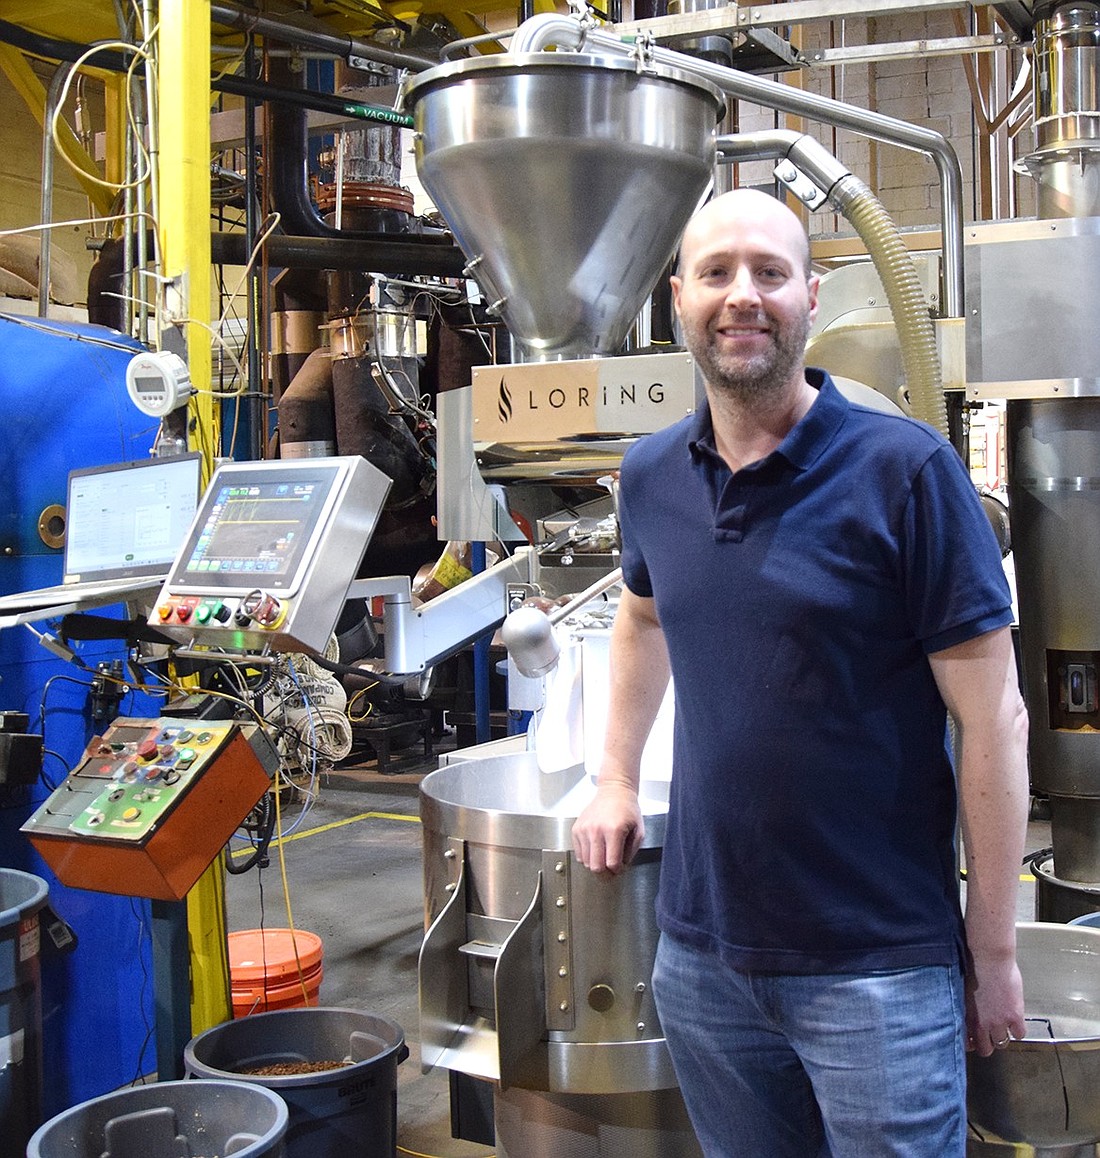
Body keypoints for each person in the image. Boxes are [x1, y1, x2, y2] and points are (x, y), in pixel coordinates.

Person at [571, 188, 1029, 1157]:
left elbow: (993, 718)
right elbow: (640, 617)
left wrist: (989, 951)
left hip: (877, 970)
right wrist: (611, 775)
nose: (742, 295)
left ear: (808, 298)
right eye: (716, 273)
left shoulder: (904, 473)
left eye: (769, 273)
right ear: (677, 299)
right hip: (699, 959)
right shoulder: (651, 474)